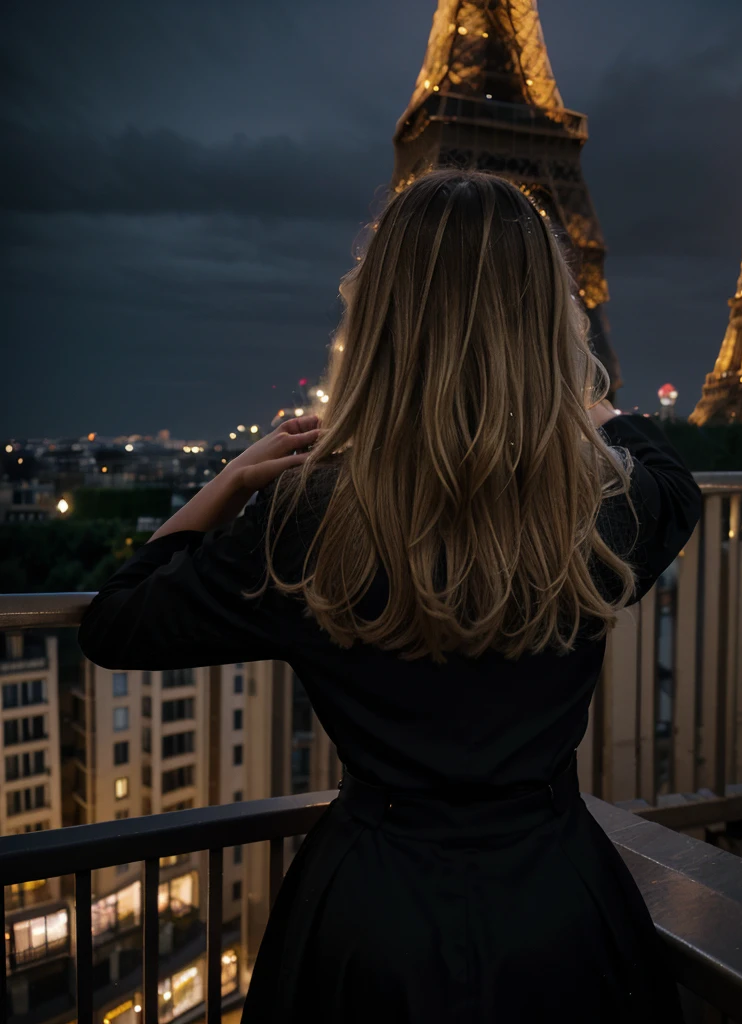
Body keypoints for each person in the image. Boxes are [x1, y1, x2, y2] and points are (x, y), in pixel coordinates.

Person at [78, 170, 702, 1023]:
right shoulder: (603, 508)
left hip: (373, 920)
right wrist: (574, 401)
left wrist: (232, 479)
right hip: (559, 903)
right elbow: (675, 479)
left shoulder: (308, 520)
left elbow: (118, 618)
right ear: (547, 319)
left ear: (381, 317)